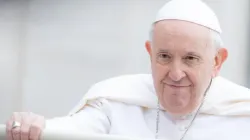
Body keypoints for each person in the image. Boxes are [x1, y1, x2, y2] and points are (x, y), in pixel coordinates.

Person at [5, 0, 250, 140]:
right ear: (150, 52)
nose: (176, 73)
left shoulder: (243, 115)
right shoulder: (116, 102)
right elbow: (64, 132)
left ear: (217, 61)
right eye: (164, 56)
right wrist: (31, 125)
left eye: (190, 59)